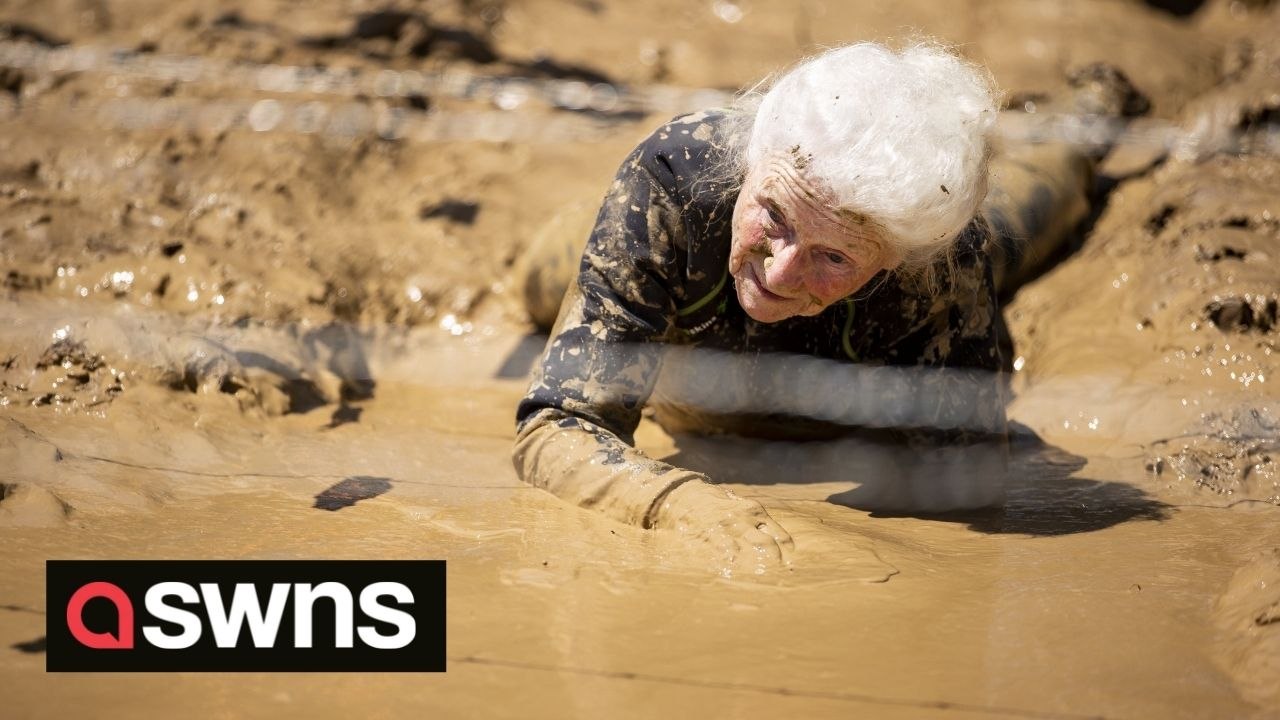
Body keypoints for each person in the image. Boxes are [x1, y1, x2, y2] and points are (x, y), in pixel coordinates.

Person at [512, 42, 1143, 575]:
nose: (781, 272)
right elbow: (554, 428)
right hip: (668, 249)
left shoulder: (941, 266)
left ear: (896, 258)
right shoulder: (675, 180)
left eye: (835, 258)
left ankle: (1092, 113)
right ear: (753, 163)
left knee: (1036, 204)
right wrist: (681, 506)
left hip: (933, 273)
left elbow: (965, 483)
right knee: (537, 279)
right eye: (775, 217)